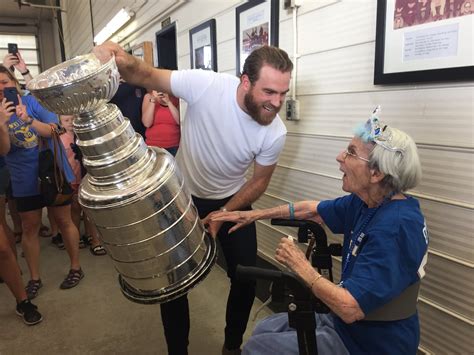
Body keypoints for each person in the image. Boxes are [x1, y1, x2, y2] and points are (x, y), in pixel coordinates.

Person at [93, 42, 293, 355]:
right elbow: (144, 74)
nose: (276, 102)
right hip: (181, 197)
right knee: (173, 285)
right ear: (245, 81)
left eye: (283, 94)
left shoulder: (275, 132)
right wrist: (115, 57)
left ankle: (231, 346)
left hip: (232, 201)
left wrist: (224, 212)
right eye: (269, 92)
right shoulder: (208, 86)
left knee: (245, 278)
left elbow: (259, 181)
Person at [212, 110, 429, 355]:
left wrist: (300, 265)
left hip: (370, 342)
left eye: (350, 152)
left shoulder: (396, 227)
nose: (340, 157)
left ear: (376, 173)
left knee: (257, 348)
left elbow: (350, 308)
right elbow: (312, 210)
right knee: (266, 327)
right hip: (347, 325)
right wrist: (252, 214)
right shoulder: (367, 202)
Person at [0, 65, 84, 300]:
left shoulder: (32, 101)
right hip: (23, 178)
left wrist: (28, 121)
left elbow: (56, 129)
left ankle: (76, 267)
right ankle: (34, 278)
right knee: (29, 228)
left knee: (64, 220)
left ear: (14, 82)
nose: (2, 88)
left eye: (5, 82)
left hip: (53, 172)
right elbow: (4, 150)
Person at [59, 114, 106, 256]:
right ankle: (77, 236)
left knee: (89, 211)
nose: (70, 123)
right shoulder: (60, 140)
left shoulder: (84, 138)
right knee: (74, 209)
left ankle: (94, 240)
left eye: (72, 119)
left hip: (86, 177)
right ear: (60, 123)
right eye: (66, 120)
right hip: (71, 179)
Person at [142, 90, 180, 156]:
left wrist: (169, 102)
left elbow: (179, 121)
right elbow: (147, 123)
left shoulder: (177, 97)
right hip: (153, 145)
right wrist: (153, 101)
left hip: (174, 145)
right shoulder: (148, 97)